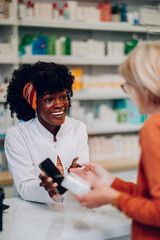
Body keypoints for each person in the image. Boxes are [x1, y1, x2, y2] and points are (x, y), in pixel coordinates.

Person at [70, 41, 160, 239]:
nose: (128, 93)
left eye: (128, 85)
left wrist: (114, 198)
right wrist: (111, 182)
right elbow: (152, 195)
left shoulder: (154, 127)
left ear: (145, 87)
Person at [4, 61, 89, 204]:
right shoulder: (17, 135)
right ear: (34, 104)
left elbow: (82, 181)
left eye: (63, 96)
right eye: (49, 99)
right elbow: (24, 186)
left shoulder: (78, 128)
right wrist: (46, 190)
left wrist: (78, 176)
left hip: (70, 209)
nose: (59, 105)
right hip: (31, 213)